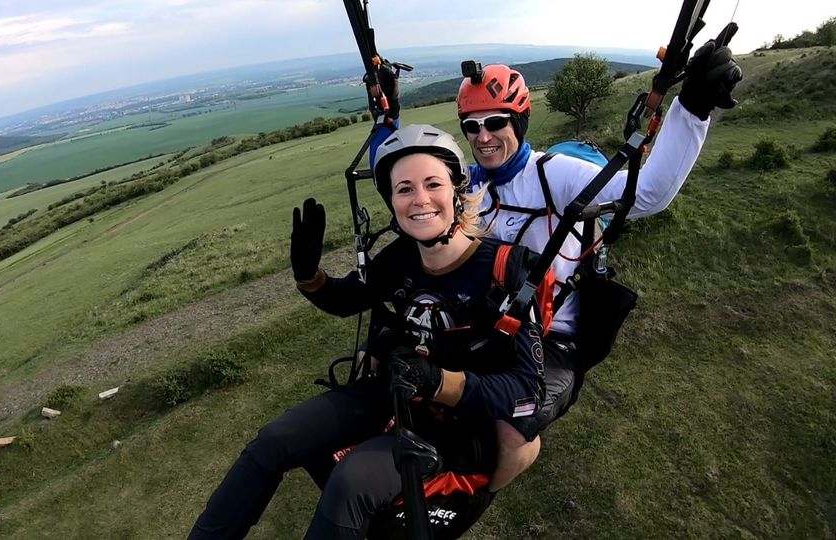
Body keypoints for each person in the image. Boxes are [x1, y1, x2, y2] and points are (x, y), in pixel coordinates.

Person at [370, 41, 743, 487]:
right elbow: (399, 171)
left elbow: (647, 193)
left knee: (511, 434)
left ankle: (483, 492)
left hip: (550, 336)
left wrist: (691, 108)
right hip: (485, 326)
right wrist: (386, 117)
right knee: (397, 369)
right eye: (472, 126)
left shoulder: (557, 174)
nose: (483, 137)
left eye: (495, 122)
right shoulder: (467, 183)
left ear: (519, 121)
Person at [189, 124, 548, 539]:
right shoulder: (400, 258)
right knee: (273, 440)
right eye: (404, 189)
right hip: (391, 393)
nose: (420, 200)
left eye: (433, 183)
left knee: (350, 483)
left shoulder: (509, 270)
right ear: (391, 201)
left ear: (456, 190)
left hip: (459, 426)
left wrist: (440, 382)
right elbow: (346, 300)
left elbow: (527, 392)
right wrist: (309, 276)